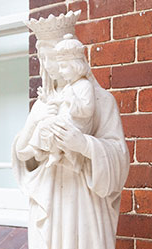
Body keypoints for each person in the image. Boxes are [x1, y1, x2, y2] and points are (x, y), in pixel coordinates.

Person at [12, 16, 129, 249]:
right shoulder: (44, 104)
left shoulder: (100, 101)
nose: (51, 69)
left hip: (83, 212)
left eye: (57, 60)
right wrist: (34, 144)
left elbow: (118, 159)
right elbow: (22, 154)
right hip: (49, 209)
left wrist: (81, 145)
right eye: (44, 60)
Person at [18, 33, 95, 171]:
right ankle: (49, 151)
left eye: (53, 58)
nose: (47, 65)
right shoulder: (41, 105)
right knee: (45, 128)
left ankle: (69, 158)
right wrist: (35, 119)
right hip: (44, 187)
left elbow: (118, 153)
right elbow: (21, 153)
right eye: (43, 58)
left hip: (80, 190)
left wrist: (84, 145)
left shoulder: (95, 94)